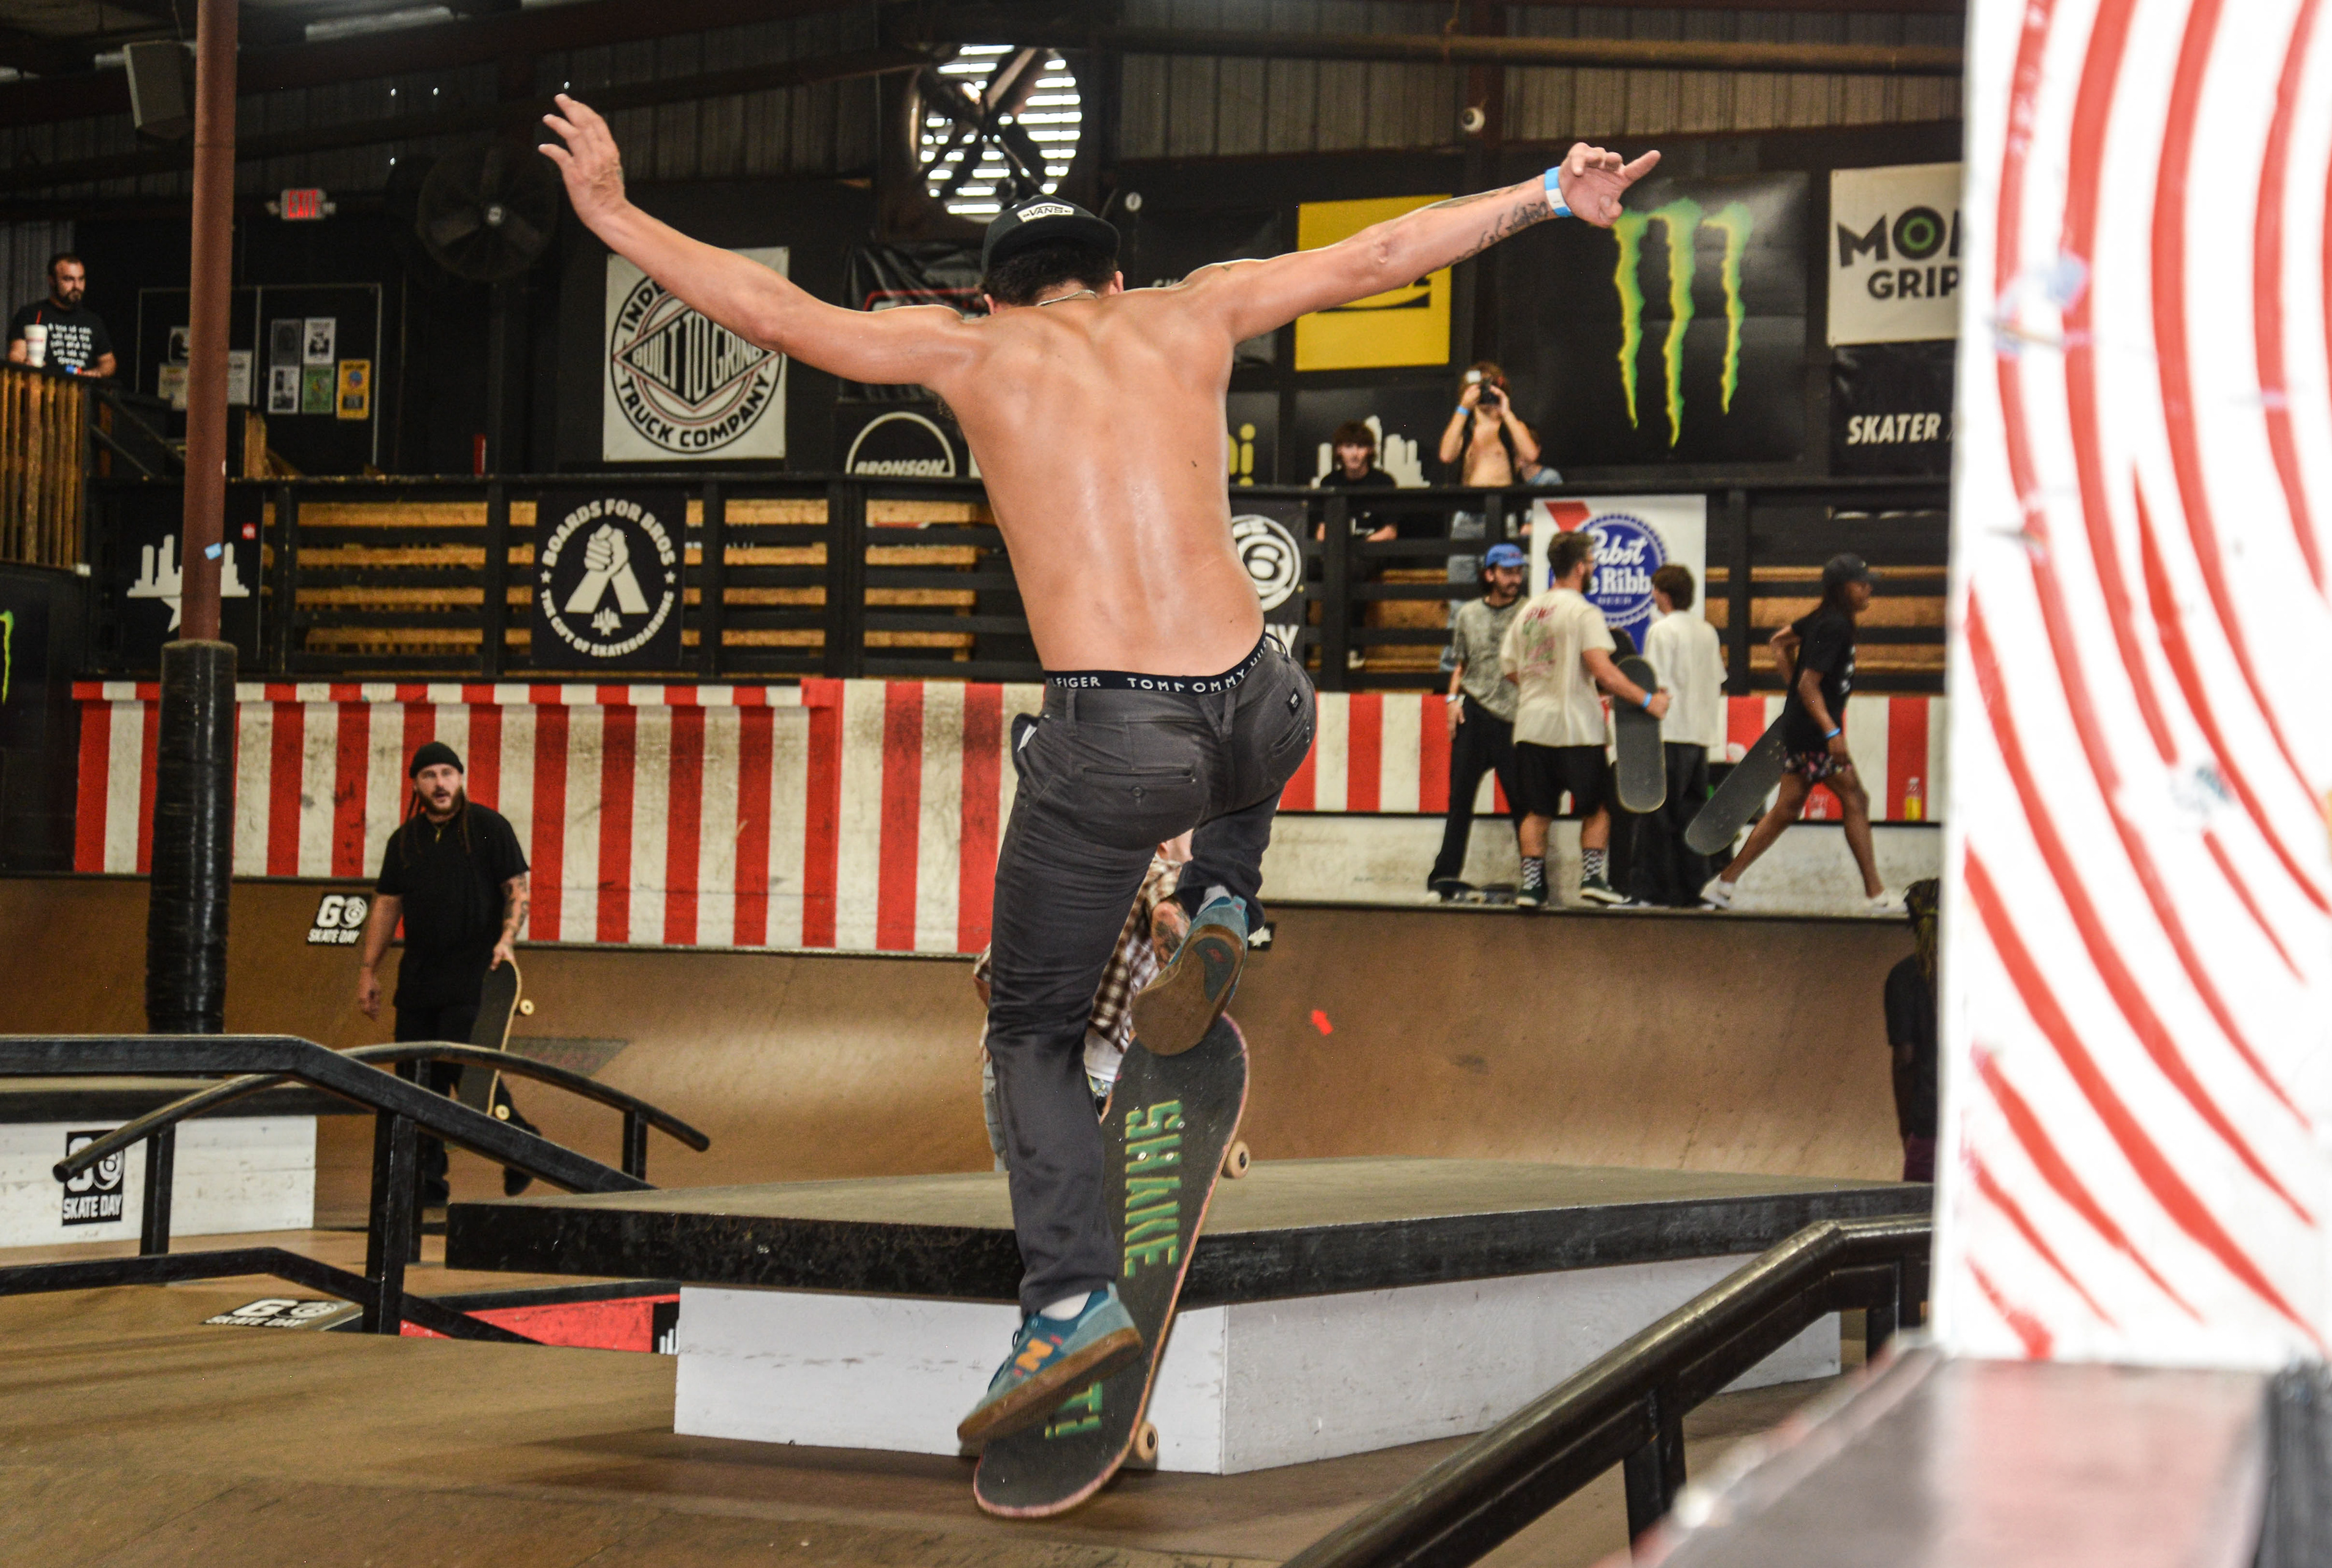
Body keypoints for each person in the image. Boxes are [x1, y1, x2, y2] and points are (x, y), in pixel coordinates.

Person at [541, 90, 1659, 1442]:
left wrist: (610, 210)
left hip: (1118, 744)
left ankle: (1066, 1302)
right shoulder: (1195, 310)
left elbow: (773, 319)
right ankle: (1231, 897)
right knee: (1258, 731)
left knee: (1028, 1028)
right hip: (1264, 704)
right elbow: (1386, 254)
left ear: (1000, 301)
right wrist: (1548, 193)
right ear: (1117, 280)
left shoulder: (970, 354)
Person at [356, 742, 538, 1204]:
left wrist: (507, 939)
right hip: (418, 980)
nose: (440, 783)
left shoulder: (488, 828)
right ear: (416, 784)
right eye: (429, 776)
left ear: (460, 778)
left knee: (468, 1074)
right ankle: (427, 1188)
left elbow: (516, 889)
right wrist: (367, 970)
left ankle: (521, 1146)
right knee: (416, 1086)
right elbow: (386, 905)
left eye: (448, 773)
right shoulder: (405, 840)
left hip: (474, 973)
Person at [1700, 554, 1903, 914]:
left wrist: (1796, 695)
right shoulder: (1835, 626)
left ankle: (1723, 884)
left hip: (1802, 725)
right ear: (1844, 588)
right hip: (1814, 732)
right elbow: (1810, 683)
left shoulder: (1819, 619)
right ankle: (1876, 895)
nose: (1869, 588)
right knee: (1855, 799)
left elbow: (1779, 643)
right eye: (1862, 583)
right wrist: (1832, 731)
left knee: (1787, 807)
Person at [973, 841, 1188, 1167]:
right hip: (1089, 1078)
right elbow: (1167, 913)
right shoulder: (1162, 874)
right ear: (1164, 843)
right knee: (1083, 1202)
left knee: (1018, 1196)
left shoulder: (1060, 869)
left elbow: (985, 974)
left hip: (1010, 1070)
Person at [1501, 529, 1668, 908]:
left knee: (1537, 812)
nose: (1592, 569)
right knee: (1598, 808)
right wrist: (1648, 701)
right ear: (1580, 567)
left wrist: (1545, 684)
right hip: (1576, 729)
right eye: (1591, 563)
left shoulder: (1528, 611)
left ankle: (1530, 888)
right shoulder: (1583, 611)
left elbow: (1511, 669)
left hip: (1531, 726)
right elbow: (1604, 671)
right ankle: (1592, 878)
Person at [1427, 542, 1528, 900]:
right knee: (1460, 802)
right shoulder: (1469, 614)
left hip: (1514, 719)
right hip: (1474, 714)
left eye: (1518, 571)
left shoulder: (1529, 613)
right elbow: (1462, 664)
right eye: (1508, 572)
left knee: (1523, 803)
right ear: (1490, 574)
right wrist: (1452, 700)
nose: (1515, 578)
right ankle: (1444, 877)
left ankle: (1534, 879)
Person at [1621, 563, 1724, 905]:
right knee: (1693, 817)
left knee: (1655, 817)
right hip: (1700, 736)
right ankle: (1694, 891)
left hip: (1669, 735)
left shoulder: (1661, 631)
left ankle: (1647, 891)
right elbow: (1718, 680)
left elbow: (1655, 685)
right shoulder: (1708, 631)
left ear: (1662, 594)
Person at [1436, 363, 1541, 668]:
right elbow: (1446, 454)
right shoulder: (1465, 427)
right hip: (1467, 518)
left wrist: (1506, 411)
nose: (1484, 393)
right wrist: (1463, 408)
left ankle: (1506, 664)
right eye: (1478, 387)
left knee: (1508, 596)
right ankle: (1451, 670)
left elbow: (1531, 454)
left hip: (1503, 518)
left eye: (1489, 387)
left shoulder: (1510, 428)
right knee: (1459, 598)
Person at [1314, 419, 1398, 668]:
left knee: (1352, 571)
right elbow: (1321, 531)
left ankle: (1353, 648)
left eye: (1360, 447)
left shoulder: (1383, 482)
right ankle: (1306, 648)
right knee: (1308, 570)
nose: (1354, 453)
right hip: (1337, 552)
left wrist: (1357, 545)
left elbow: (1390, 532)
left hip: (1369, 552)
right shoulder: (1330, 482)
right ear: (1339, 450)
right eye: (1348, 446)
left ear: (1370, 451)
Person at [1884, 879, 1939, 1182]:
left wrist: (1906, 1127)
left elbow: (1905, 1061)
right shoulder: (1984, 967)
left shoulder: (1904, 977)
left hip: (1930, 1126)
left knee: (1921, 1223)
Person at [9, 253, 116, 379]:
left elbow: (108, 362)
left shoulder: (93, 321)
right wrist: (25, 364)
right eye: (69, 279)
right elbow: (16, 353)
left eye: (81, 279)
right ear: (52, 281)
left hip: (79, 394)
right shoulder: (31, 314)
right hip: (40, 389)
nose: (77, 286)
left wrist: (96, 373)